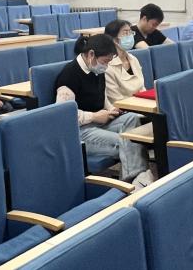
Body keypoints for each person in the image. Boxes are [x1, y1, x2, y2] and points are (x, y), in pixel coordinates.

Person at [55, 34, 154, 188]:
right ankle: (135, 182)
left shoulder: (96, 69)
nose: (106, 66)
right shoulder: (69, 75)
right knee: (128, 141)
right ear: (91, 54)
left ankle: (135, 178)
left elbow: (102, 97)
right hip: (79, 131)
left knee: (132, 119)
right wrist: (94, 116)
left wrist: (111, 109)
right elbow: (64, 116)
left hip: (99, 123)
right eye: (105, 61)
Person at [100, 19, 146, 104]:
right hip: (123, 108)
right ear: (114, 40)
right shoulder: (107, 65)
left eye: (130, 32)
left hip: (142, 104)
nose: (130, 36)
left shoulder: (133, 59)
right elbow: (115, 99)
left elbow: (142, 88)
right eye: (125, 33)